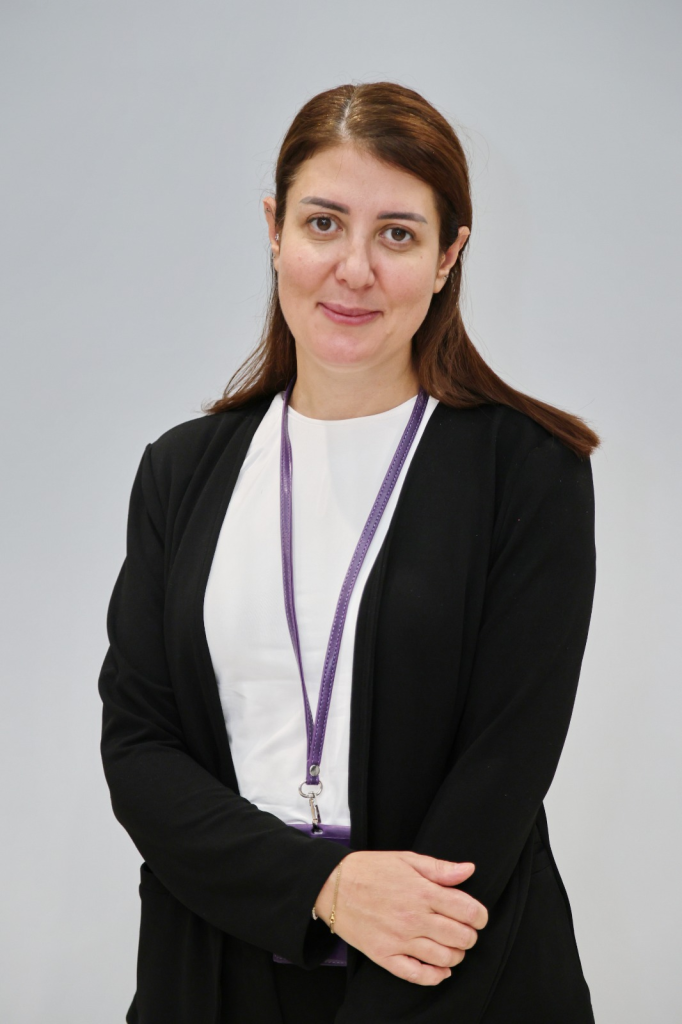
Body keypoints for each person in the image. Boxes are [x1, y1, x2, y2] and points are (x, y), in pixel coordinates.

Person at [98, 81, 600, 1024]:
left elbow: (505, 761)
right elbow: (140, 747)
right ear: (274, 230)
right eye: (323, 223)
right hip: (211, 970)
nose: (354, 269)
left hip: (451, 974)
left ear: (449, 257)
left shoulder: (529, 470)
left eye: (398, 234)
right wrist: (323, 888)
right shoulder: (181, 471)